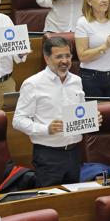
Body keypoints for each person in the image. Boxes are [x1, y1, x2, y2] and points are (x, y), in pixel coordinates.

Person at [13, 37, 94, 187]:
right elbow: (18, 120)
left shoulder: (77, 81)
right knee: (49, 202)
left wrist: (93, 119)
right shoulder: (33, 84)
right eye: (59, 57)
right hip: (48, 155)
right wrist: (46, 129)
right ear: (47, 58)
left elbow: (79, 113)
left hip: (74, 152)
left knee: (72, 202)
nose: (64, 61)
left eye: (67, 56)